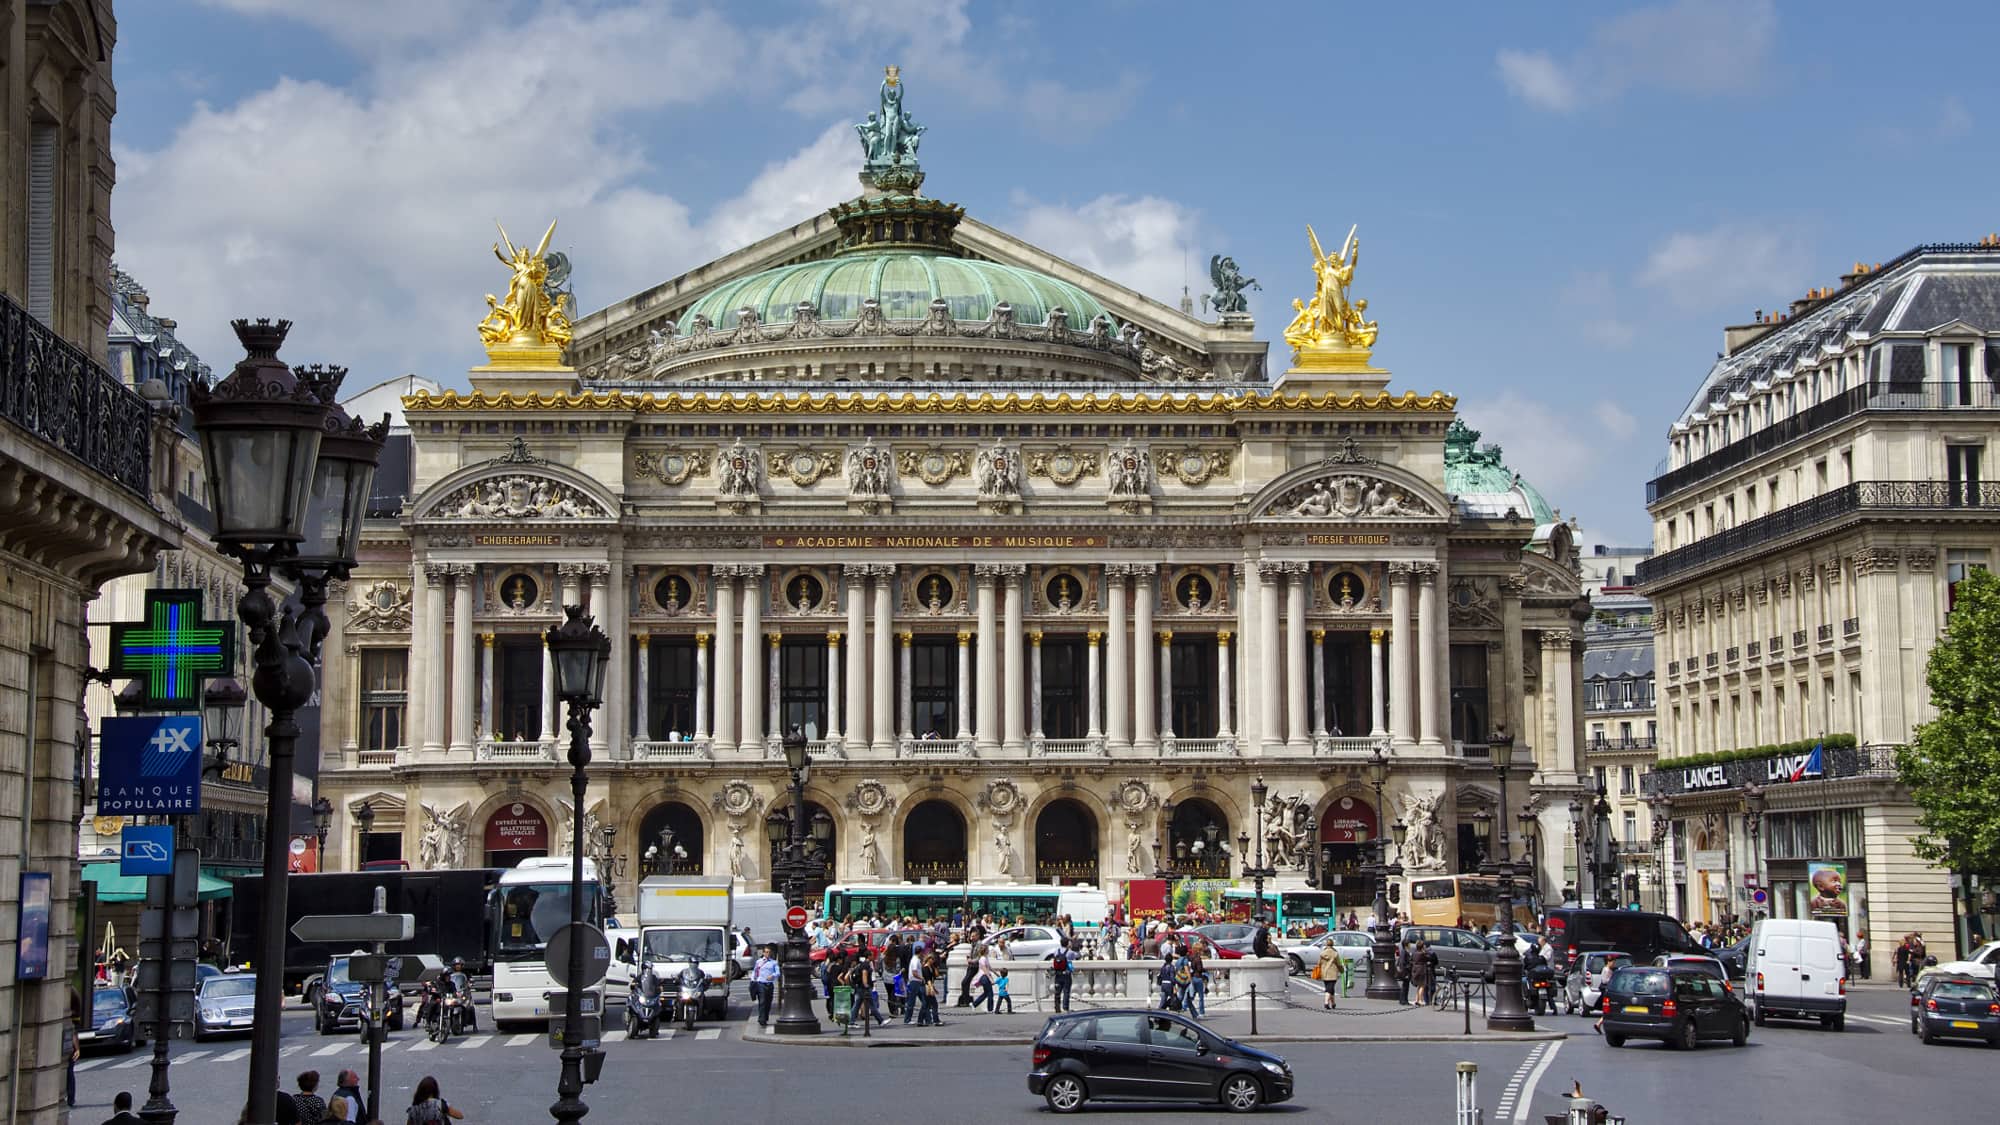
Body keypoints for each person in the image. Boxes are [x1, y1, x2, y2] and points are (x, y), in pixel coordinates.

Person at [751, 945, 779, 1027]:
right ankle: (761, 1019)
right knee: (762, 1001)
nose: (768, 954)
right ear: (763, 953)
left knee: (768, 1002)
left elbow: (778, 973)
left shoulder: (773, 962)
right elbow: (755, 971)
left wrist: (772, 975)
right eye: (766, 952)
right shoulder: (759, 962)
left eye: (769, 952)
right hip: (761, 983)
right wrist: (753, 980)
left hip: (769, 984)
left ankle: (765, 1017)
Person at [1315, 941, 1342, 1011]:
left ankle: (1333, 1003)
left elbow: (1319, 963)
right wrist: (1342, 970)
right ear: (1332, 944)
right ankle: (1326, 1002)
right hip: (1333, 973)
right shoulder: (1335, 953)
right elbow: (1339, 964)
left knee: (1330, 988)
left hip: (1324, 972)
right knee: (1329, 988)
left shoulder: (1322, 953)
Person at [1049, 940, 1075, 1013]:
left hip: (1057, 974)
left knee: (1057, 991)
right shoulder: (1070, 952)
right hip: (1066, 974)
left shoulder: (1056, 951)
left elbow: (1054, 958)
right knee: (1066, 991)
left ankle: (1057, 1007)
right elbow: (1075, 957)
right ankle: (1065, 1008)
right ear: (1067, 944)